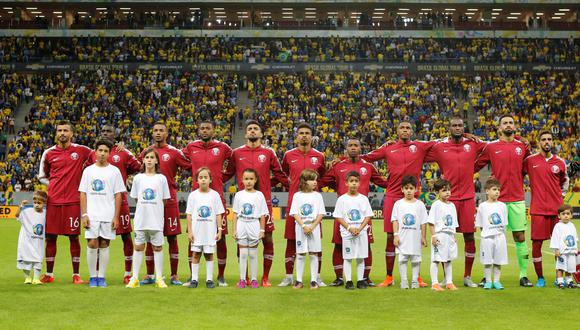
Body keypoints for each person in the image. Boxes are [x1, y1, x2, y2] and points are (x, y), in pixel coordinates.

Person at [363, 120, 435, 288]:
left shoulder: (419, 147)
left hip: (414, 197)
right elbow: (367, 157)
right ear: (397, 131)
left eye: (408, 128)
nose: (405, 130)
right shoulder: (388, 148)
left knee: (416, 234)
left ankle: (417, 277)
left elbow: (441, 143)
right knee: (390, 236)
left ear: (412, 131)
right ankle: (389, 276)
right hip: (392, 196)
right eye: (401, 128)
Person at [224, 120, 288, 287]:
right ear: (246, 134)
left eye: (255, 129)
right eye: (250, 129)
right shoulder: (236, 153)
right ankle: (243, 277)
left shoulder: (268, 152)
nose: (252, 131)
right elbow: (228, 173)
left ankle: (265, 277)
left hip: (263, 203)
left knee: (267, 237)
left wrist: (291, 185)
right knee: (242, 240)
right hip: (243, 202)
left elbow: (279, 174)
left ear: (261, 133)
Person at [319, 137, 388, 286]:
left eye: (356, 145)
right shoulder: (338, 166)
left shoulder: (368, 167)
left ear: (360, 148)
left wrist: (398, 182)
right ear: (346, 148)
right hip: (343, 214)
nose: (353, 147)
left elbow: (382, 182)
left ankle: (365, 277)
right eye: (350, 145)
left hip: (362, 216)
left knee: (366, 245)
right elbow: (323, 181)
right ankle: (339, 278)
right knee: (338, 244)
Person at [425, 117, 485, 287]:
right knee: (444, 236)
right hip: (447, 199)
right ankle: (446, 277)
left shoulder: (472, 144)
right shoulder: (440, 147)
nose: (457, 128)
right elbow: (421, 148)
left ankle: (467, 276)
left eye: (460, 126)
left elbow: (491, 146)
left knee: (469, 236)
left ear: (464, 128)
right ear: (449, 128)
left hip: (467, 198)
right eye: (454, 126)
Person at [475, 115, 533, 287]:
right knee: (489, 236)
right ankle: (487, 275)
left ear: (515, 126)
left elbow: (528, 167)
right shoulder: (491, 147)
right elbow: (475, 165)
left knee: (520, 236)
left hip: (516, 198)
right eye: (505, 123)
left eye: (511, 122)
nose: (508, 125)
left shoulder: (522, 146)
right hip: (495, 200)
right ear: (499, 128)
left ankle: (523, 275)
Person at [38, 120, 93, 284]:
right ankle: (49, 274)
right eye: (59, 130)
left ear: (71, 133)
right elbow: (42, 176)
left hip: (73, 202)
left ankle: (76, 275)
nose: (62, 133)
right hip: (53, 201)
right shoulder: (48, 153)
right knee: (50, 238)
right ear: (56, 133)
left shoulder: (81, 151)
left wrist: (117, 148)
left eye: (65, 130)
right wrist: (54, 185)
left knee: (74, 237)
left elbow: (99, 154)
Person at [139, 122, 190, 286]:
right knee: (148, 237)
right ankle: (149, 274)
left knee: (172, 238)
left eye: (161, 130)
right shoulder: (146, 152)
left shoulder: (174, 152)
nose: (158, 133)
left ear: (167, 133)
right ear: (152, 133)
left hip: (169, 201)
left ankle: (174, 275)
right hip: (150, 203)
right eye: (155, 130)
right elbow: (137, 169)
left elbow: (190, 166)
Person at [88, 125, 141, 284]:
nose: (105, 133)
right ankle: (96, 273)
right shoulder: (93, 154)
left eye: (109, 131)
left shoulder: (123, 152)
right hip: (98, 203)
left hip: (120, 201)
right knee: (97, 238)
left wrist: (128, 177)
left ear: (115, 134)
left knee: (126, 236)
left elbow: (139, 166)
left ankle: (127, 272)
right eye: (103, 131)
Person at [182, 120, 232, 287]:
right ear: (198, 130)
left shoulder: (223, 147)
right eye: (202, 128)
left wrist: (220, 178)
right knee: (193, 238)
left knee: (221, 237)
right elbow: (176, 156)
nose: (204, 131)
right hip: (197, 199)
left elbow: (235, 160)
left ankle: (221, 276)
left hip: (216, 198)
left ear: (213, 130)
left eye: (208, 128)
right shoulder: (191, 147)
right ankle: (192, 276)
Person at [279, 123, 326, 287]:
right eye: (301, 133)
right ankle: (289, 276)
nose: (304, 135)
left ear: (311, 136)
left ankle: (317, 277)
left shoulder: (319, 156)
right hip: (295, 204)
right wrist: (291, 187)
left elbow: (324, 175)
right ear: (296, 136)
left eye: (307, 133)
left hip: (313, 208)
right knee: (291, 241)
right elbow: (283, 173)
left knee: (316, 243)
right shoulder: (288, 155)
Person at [523, 131, 569, 287]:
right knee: (537, 245)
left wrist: (559, 197)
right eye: (543, 139)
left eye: (549, 139)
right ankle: (540, 277)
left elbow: (564, 182)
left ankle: (560, 277)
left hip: (557, 211)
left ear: (553, 142)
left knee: (561, 246)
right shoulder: (530, 161)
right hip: (538, 209)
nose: (547, 142)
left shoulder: (560, 162)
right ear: (539, 142)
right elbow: (518, 174)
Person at [79, 139, 126, 288]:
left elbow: (118, 195)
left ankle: (102, 277)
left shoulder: (114, 171)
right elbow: (83, 193)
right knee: (92, 243)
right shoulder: (88, 170)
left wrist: (116, 216)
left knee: (105, 243)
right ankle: (93, 277)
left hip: (108, 213)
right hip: (92, 214)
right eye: (100, 150)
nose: (102, 153)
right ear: (95, 152)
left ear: (110, 153)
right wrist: (84, 214)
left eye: (106, 151)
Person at [126, 148, 170, 289]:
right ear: (143, 160)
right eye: (147, 157)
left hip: (156, 219)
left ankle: (158, 278)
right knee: (139, 247)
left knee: (157, 247)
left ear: (157, 160)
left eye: (152, 157)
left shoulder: (161, 179)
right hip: (141, 219)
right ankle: (135, 278)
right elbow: (137, 198)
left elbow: (164, 200)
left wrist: (155, 210)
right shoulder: (138, 178)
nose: (149, 160)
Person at [185, 167, 225, 289]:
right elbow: (189, 215)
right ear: (197, 180)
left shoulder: (215, 195)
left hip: (209, 232)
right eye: (201, 177)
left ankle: (209, 279)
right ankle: (194, 279)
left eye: (205, 177)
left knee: (209, 255)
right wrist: (190, 231)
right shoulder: (193, 195)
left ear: (210, 180)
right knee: (196, 254)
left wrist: (219, 230)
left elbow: (218, 214)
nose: (203, 180)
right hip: (197, 232)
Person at [333, 171, 373, 290]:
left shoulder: (363, 199)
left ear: (359, 183)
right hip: (347, 233)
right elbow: (338, 216)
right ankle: (349, 281)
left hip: (361, 233)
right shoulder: (342, 199)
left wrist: (360, 228)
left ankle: (360, 281)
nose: (354, 184)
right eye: (351, 181)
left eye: (356, 181)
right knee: (348, 257)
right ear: (346, 183)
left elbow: (368, 216)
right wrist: (350, 228)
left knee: (361, 257)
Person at [289, 169, 325, 289]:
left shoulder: (318, 196)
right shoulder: (297, 196)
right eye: (312, 179)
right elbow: (294, 213)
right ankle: (299, 280)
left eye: (315, 179)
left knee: (314, 253)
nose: (315, 182)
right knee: (300, 253)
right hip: (301, 227)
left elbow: (321, 214)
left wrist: (313, 226)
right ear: (304, 181)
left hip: (314, 227)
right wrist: (304, 226)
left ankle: (314, 280)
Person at [232, 168, 268, 289]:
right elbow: (235, 214)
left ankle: (253, 279)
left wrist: (262, 230)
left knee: (252, 254)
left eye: (251, 179)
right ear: (242, 180)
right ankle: (242, 279)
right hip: (242, 224)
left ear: (255, 180)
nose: (248, 182)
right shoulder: (238, 195)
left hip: (254, 224)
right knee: (242, 254)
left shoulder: (259, 195)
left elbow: (263, 214)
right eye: (246, 179)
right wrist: (234, 230)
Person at [392, 175, 428, 289]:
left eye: (411, 188)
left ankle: (414, 281)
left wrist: (423, 236)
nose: (409, 191)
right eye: (406, 188)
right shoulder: (398, 204)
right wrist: (395, 235)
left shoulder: (420, 204)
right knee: (402, 259)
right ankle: (404, 281)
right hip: (402, 237)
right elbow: (395, 220)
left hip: (415, 237)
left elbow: (423, 222)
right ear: (402, 189)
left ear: (416, 190)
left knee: (416, 260)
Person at [476, 178, 508, 290]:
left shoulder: (502, 206)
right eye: (494, 189)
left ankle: (497, 281)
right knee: (488, 262)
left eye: (498, 189)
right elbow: (480, 224)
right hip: (487, 238)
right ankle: (488, 281)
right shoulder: (482, 206)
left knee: (498, 261)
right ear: (487, 191)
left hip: (500, 237)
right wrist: (486, 233)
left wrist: (502, 235)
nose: (497, 192)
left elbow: (504, 223)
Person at [427, 179, 459, 291]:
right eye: (444, 190)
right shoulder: (436, 204)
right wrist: (433, 236)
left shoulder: (452, 206)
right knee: (436, 259)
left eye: (449, 190)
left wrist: (454, 236)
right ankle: (434, 283)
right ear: (437, 193)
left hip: (449, 236)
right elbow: (431, 222)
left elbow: (454, 223)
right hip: (440, 235)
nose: (448, 192)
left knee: (448, 259)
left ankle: (449, 282)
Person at [16, 191, 48, 285]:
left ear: (44, 203)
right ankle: (27, 278)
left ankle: (36, 278)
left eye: (39, 203)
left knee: (38, 259)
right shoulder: (27, 212)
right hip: (26, 241)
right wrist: (21, 206)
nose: (37, 205)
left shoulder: (46, 214)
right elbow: (17, 215)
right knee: (26, 259)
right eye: (35, 203)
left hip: (39, 241)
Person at [550, 204, 577, 289]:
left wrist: (575, 249)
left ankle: (569, 281)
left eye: (568, 214)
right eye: (563, 214)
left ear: (571, 215)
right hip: (562, 252)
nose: (566, 216)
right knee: (560, 267)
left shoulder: (572, 226)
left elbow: (574, 238)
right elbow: (555, 238)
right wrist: (556, 249)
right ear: (559, 216)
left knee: (570, 267)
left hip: (571, 251)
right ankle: (560, 281)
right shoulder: (558, 226)